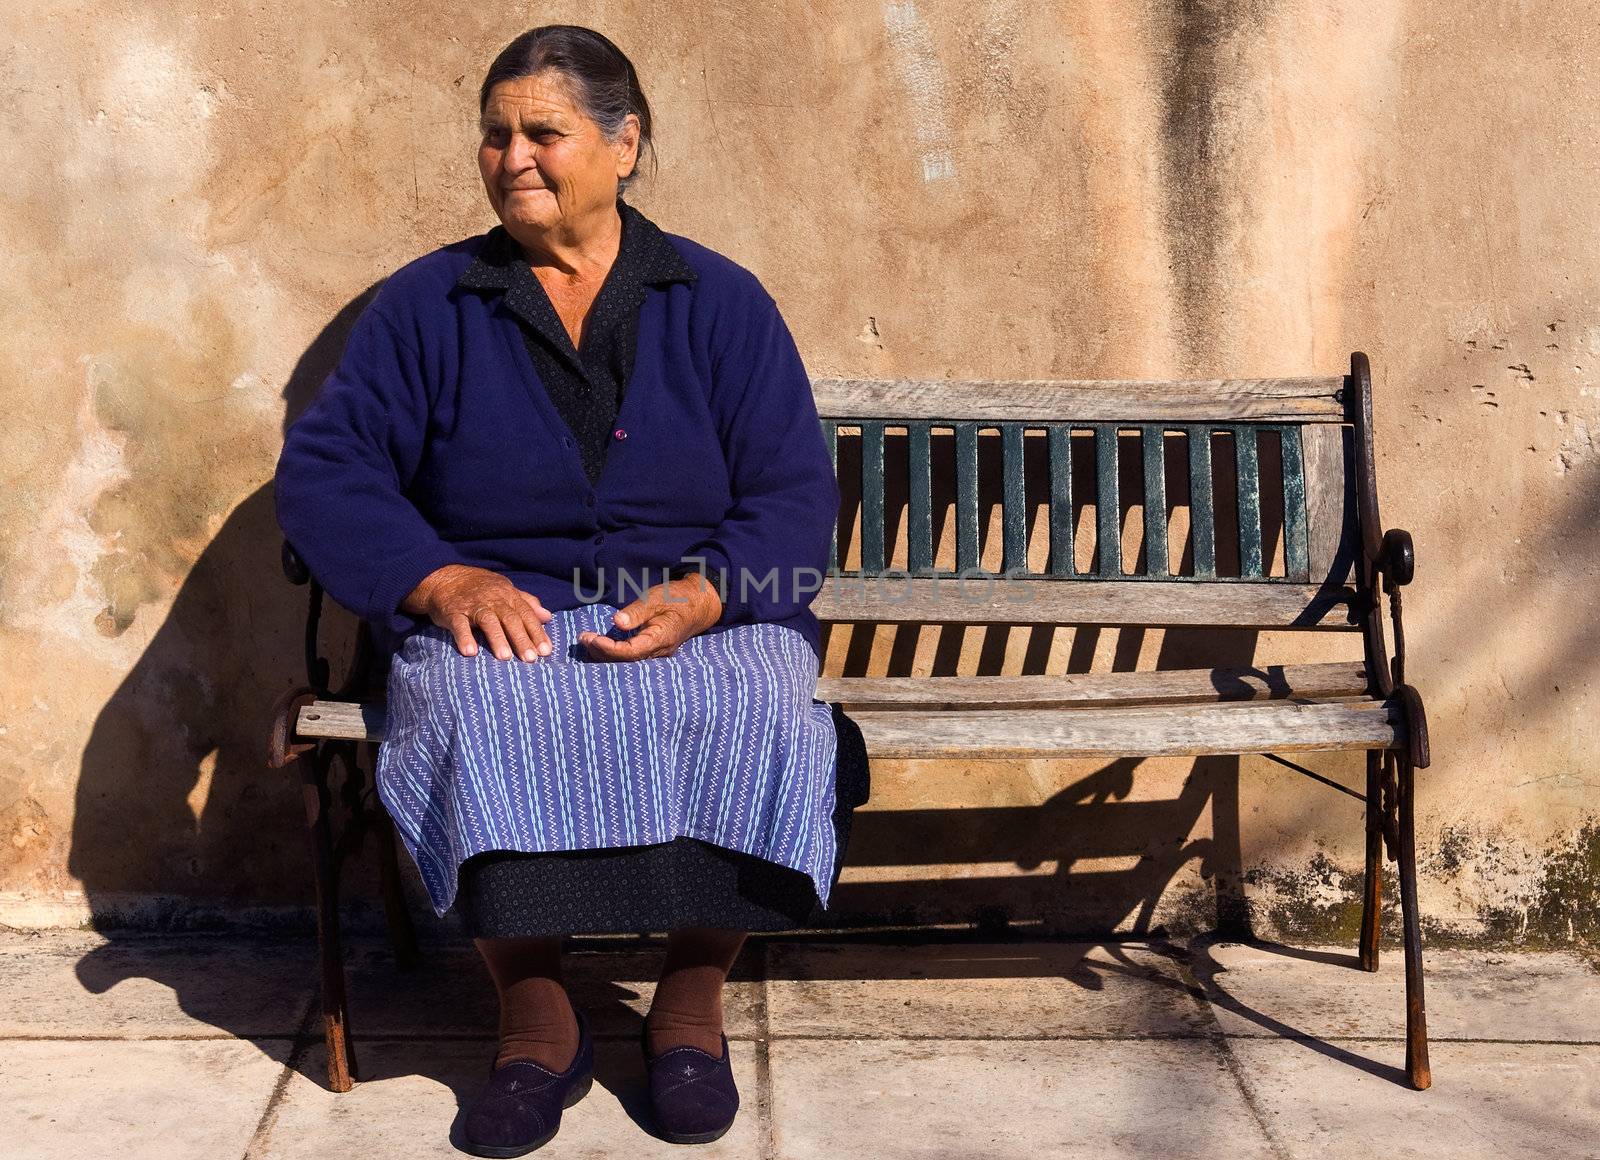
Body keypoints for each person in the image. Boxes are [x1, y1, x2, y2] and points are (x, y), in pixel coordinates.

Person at [273, 23, 867, 1156]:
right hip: (512, 610)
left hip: (695, 606)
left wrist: (708, 596)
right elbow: (328, 469)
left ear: (623, 143)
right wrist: (438, 577)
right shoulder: (431, 303)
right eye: (493, 136)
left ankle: (690, 1006)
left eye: (541, 131)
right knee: (470, 701)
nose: (512, 158)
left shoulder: (718, 300)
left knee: (757, 700)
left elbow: (792, 492)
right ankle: (536, 1017)